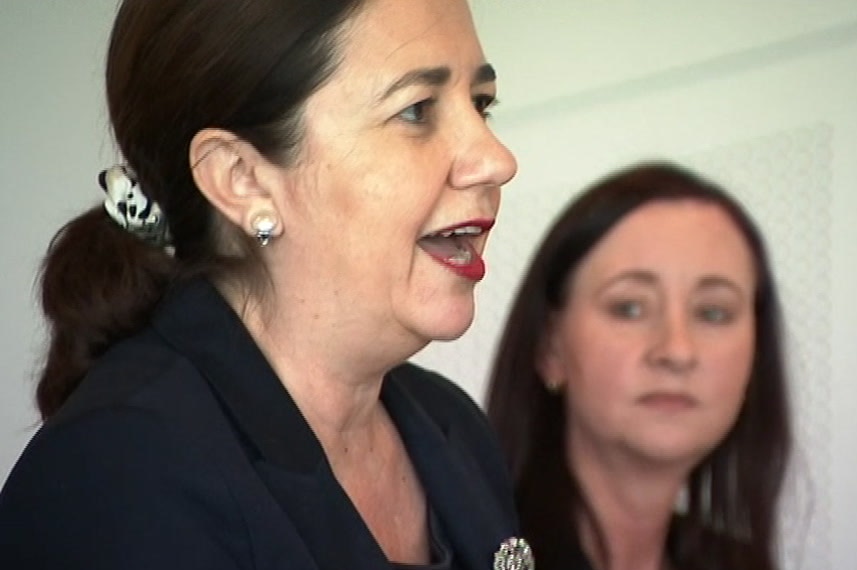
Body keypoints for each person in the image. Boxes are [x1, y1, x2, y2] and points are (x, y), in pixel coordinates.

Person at [0, 1, 529, 569]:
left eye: (482, 104)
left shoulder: (451, 425)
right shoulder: (118, 476)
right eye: (417, 110)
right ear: (242, 179)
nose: (495, 160)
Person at [486, 162, 792, 570]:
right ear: (550, 347)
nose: (677, 351)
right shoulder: (480, 551)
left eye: (714, 313)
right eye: (629, 308)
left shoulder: (738, 561)